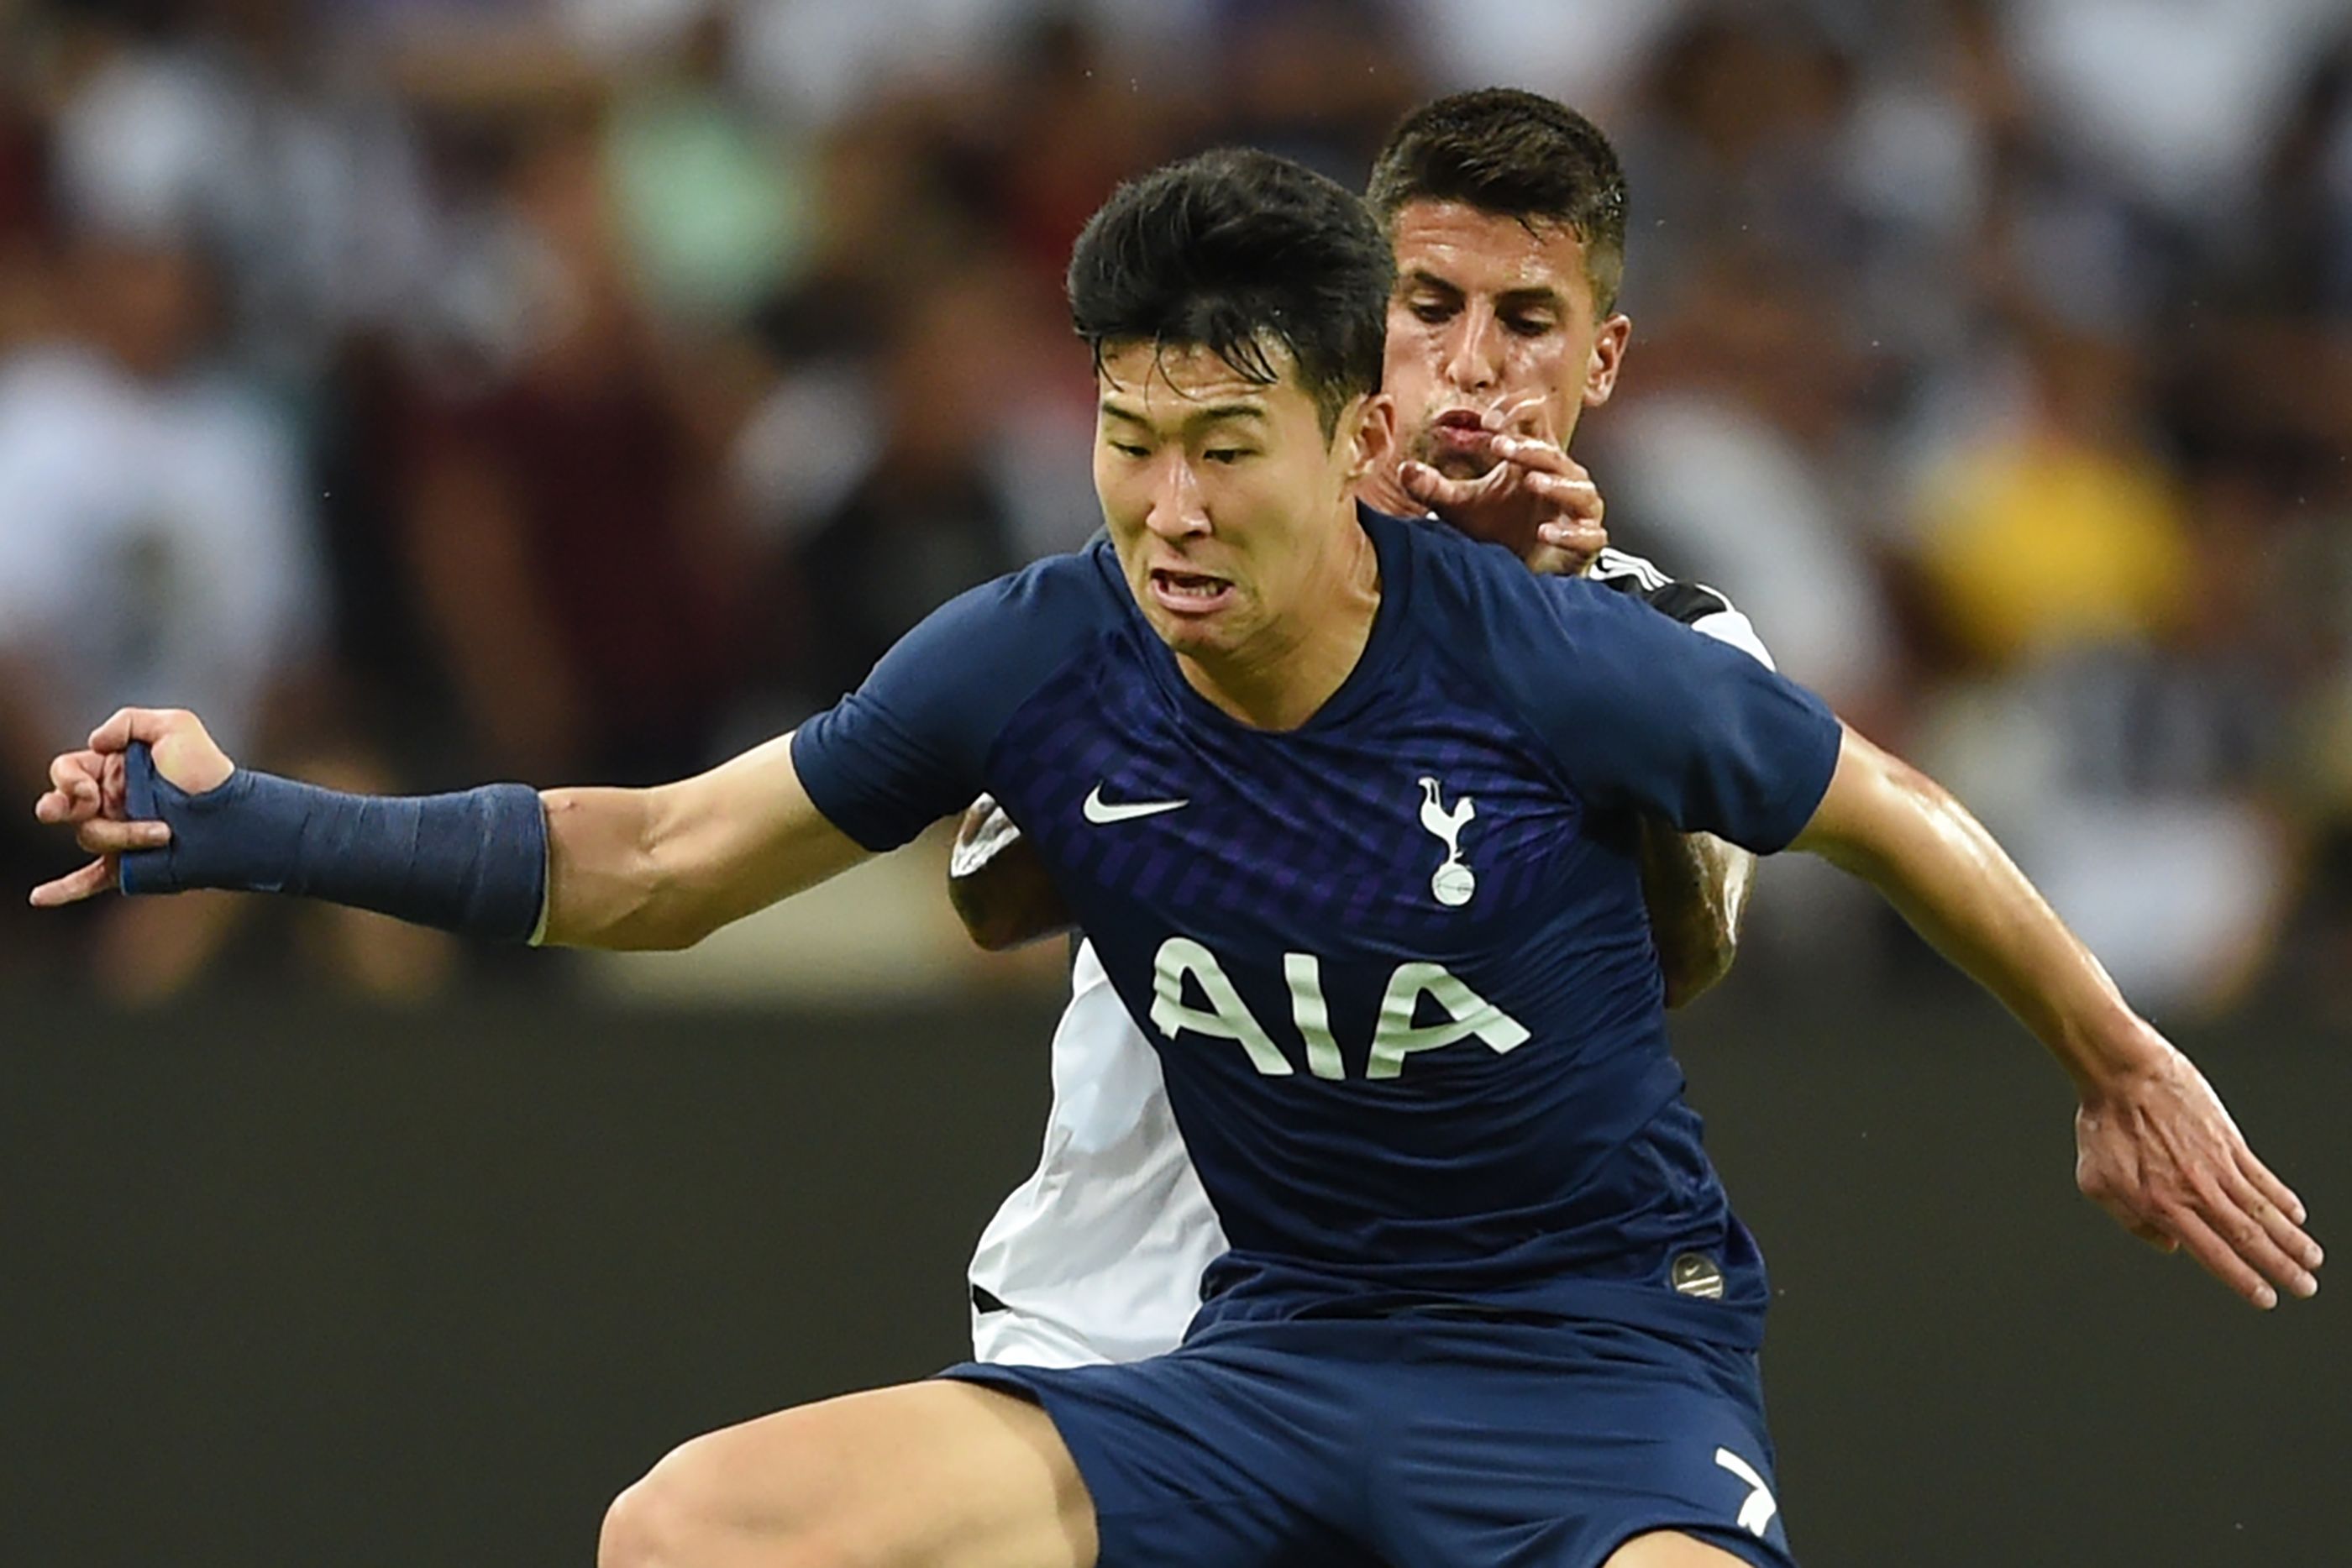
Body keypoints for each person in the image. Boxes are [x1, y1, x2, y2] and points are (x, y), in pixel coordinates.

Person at [32, 147, 2318, 1568]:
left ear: (1346, 435)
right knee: (692, 1530)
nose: (1174, 507)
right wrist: (254, 822)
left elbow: (1885, 808)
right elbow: (654, 856)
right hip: (1254, 1355)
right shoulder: (1044, 648)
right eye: (1132, 441)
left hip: (1586, 1367)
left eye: (1229, 445)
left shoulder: (1573, 651)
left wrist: (2112, 1057)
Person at [950, 88, 1773, 1371]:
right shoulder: (1194, 574)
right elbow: (994, 896)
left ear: (1602, 359)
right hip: (1119, 1323)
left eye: (1528, 320)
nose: (1474, 362)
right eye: (1431, 306)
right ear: (1356, 323)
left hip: (1454, 1350)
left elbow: (1690, 951)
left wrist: (1546, 643)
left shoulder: (1680, 644)